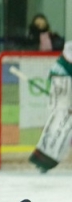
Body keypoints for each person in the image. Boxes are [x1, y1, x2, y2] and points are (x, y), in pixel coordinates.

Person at [29, 41, 72, 172]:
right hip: (64, 87)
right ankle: (44, 161)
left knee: (58, 125)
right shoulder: (65, 62)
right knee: (62, 126)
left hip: (61, 88)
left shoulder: (62, 59)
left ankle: (43, 161)